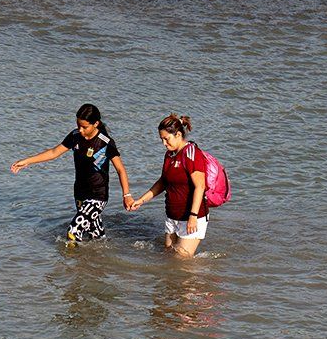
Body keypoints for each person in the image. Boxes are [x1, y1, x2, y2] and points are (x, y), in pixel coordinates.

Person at [11, 104, 134, 242]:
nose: (80, 130)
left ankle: (71, 263)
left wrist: (127, 195)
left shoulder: (105, 143)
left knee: (73, 231)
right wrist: (27, 161)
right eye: (78, 125)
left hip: (98, 196)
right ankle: (101, 260)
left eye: (84, 127)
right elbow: (53, 152)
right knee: (95, 236)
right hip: (80, 192)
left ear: (96, 124)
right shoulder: (75, 136)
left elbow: (121, 170)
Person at [130, 114, 209, 257]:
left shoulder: (192, 153)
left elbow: (200, 186)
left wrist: (193, 216)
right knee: (168, 258)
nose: (164, 143)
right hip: (172, 216)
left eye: (166, 139)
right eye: (161, 139)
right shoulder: (169, 155)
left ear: (178, 134)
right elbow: (163, 182)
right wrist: (141, 201)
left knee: (182, 261)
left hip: (191, 218)